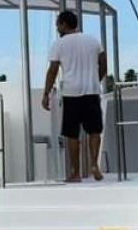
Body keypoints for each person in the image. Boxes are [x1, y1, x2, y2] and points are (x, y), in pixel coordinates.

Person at [40, 11, 108, 182]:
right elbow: (104, 64)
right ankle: (94, 164)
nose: (57, 28)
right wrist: (95, 79)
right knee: (94, 130)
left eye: (58, 24)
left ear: (64, 24)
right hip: (92, 90)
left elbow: (53, 70)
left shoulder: (59, 44)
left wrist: (46, 93)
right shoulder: (93, 40)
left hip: (71, 92)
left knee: (72, 134)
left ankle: (75, 172)